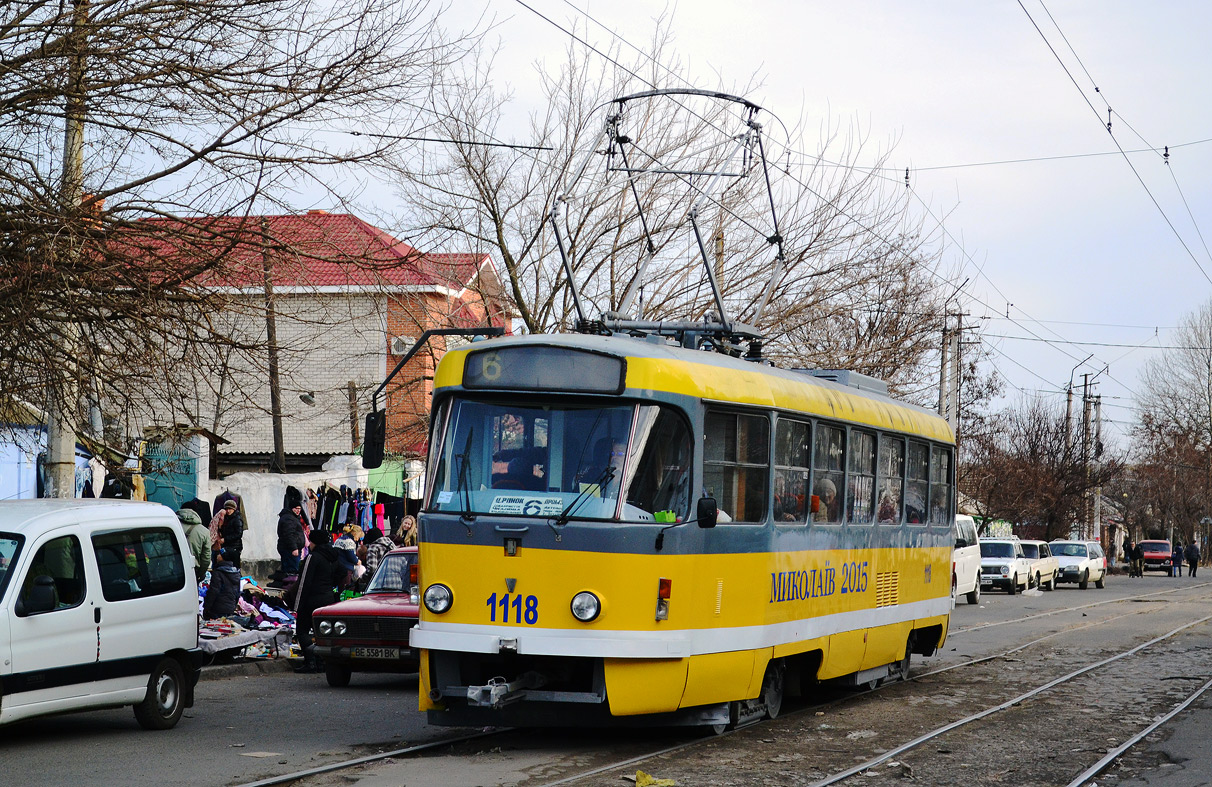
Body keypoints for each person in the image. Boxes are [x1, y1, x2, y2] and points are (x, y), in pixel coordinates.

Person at [292, 527, 345, 673]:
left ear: (315, 542)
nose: (309, 544)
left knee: (302, 630)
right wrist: (332, 587)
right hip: (328, 599)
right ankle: (322, 662)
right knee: (321, 632)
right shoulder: (333, 557)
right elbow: (343, 573)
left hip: (312, 599)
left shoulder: (312, 557)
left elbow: (304, 582)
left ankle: (311, 662)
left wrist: (297, 605)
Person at [176, 508, 210, 585]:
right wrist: (200, 574)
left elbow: (159, 548)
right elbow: (206, 559)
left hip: (172, 570)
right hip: (192, 570)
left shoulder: (172, 526)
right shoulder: (204, 532)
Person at [276, 502, 306, 576]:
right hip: (290, 550)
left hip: (290, 549)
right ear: (292, 508)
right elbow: (289, 535)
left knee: (290, 571)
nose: (298, 510)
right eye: (296, 508)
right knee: (292, 573)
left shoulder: (292, 517)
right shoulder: (289, 519)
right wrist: (294, 548)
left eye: (299, 509)